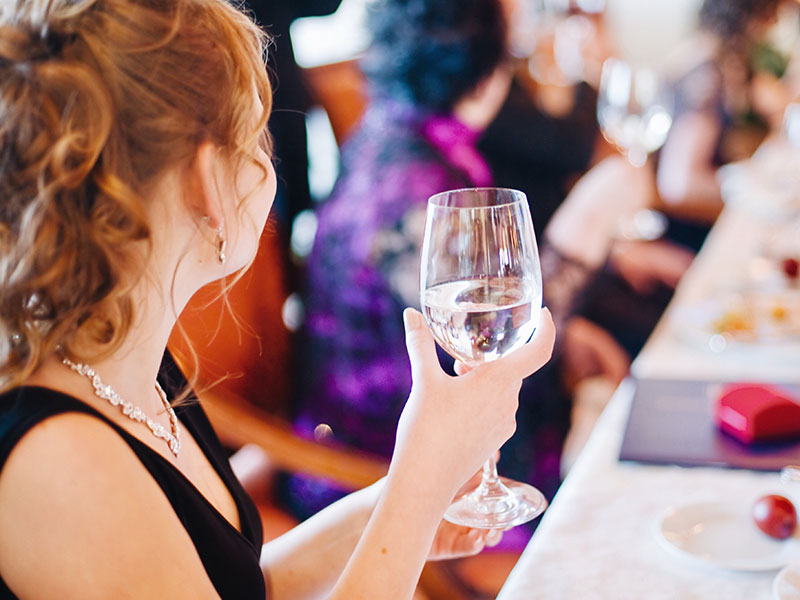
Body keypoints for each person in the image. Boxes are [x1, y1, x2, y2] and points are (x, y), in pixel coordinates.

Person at [0, 0, 558, 598]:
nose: (269, 162)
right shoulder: (60, 461)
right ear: (208, 178)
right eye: (258, 132)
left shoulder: (131, 364)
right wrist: (420, 481)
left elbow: (242, 586)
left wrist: (404, 505)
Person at [290, 0, 653, 542]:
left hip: (408, 432)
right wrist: (582, 230)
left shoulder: (394, 135)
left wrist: (567, 327)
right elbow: (483, 337)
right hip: (382, 469)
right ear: (483, 65)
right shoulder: (415, 187)